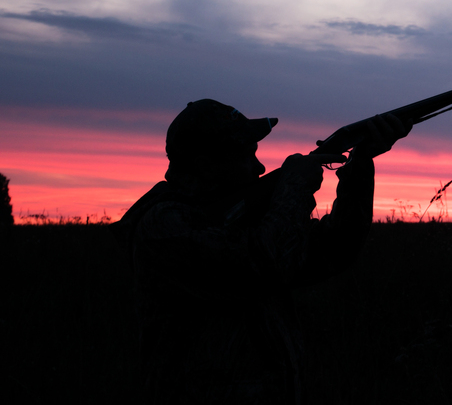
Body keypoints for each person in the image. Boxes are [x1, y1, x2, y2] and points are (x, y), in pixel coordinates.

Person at [114, 99, 409, 405]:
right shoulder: (164, 228)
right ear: (205, 165)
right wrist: (294, 187)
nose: (260, 167)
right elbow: (265, 264)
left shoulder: (242, 222)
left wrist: (359, 163)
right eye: (246, 155)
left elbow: (334, 250)